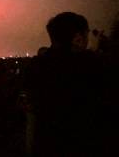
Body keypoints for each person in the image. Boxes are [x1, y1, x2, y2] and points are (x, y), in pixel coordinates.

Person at [23, 12, 104, 156]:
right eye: (87, 34)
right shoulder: (91, 66)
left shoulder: (36, 66)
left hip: (47, 144)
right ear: (78, 38)